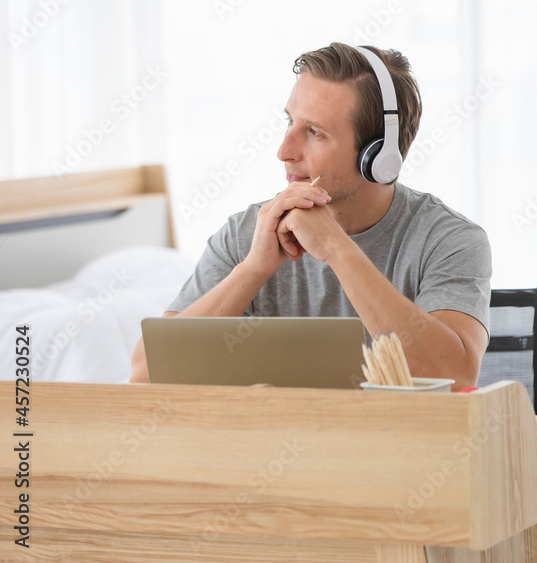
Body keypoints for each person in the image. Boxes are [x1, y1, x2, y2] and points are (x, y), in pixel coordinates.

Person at [128, 42, 491, 390]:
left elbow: (455, 376)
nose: (284, 151)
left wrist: (337, 248)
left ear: (378, 157)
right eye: (290, 123)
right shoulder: (248, 234)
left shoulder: (449, 240)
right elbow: (145, 375)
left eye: (315, 132)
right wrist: (254, 268)